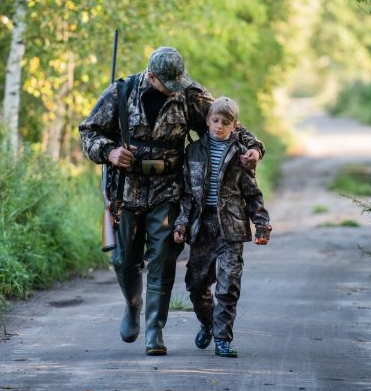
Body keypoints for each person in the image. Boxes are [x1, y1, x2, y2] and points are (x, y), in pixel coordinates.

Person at [79, 47, 264, 355]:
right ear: (152, 77)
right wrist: (109, 151)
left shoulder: (188, 94)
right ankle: (132, 304)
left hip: (169, 189)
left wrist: (254, 149)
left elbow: (232, 125)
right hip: (126, 190)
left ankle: (155, 331)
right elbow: (88, 132)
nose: (177, 87)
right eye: (169, 83)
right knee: (124, 261)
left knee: (163, 259)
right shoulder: (121, 92)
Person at [173, 96, 272, 358]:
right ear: (207, 121)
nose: (219, 126)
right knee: (196, 285)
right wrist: (181, 223)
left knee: (228, 286)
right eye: (215, 121)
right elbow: (185, 194)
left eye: (225, 123)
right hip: (201, 228)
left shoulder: (241, 154)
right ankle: (207, 323)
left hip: (231, 228)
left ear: (235, 126)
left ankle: (222, 339)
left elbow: (253, 194)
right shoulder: (193, 151)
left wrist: (262, 225)